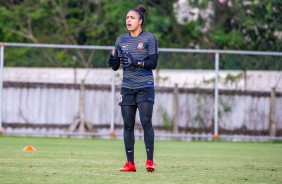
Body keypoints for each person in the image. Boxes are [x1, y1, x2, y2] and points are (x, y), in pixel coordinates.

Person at [108, 5, 159, 172]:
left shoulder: (150, 38)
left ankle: (150, 161)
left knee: (146, 122)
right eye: (127, 18)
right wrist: (113, 62)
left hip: (145, 86)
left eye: (132, 18)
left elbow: (153, 63)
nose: (128, 20)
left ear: (140, 21)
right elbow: (116, 65)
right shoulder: (121, 40)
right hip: (127, 87)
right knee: (128, 125)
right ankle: (130, 163)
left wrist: (136, 62)